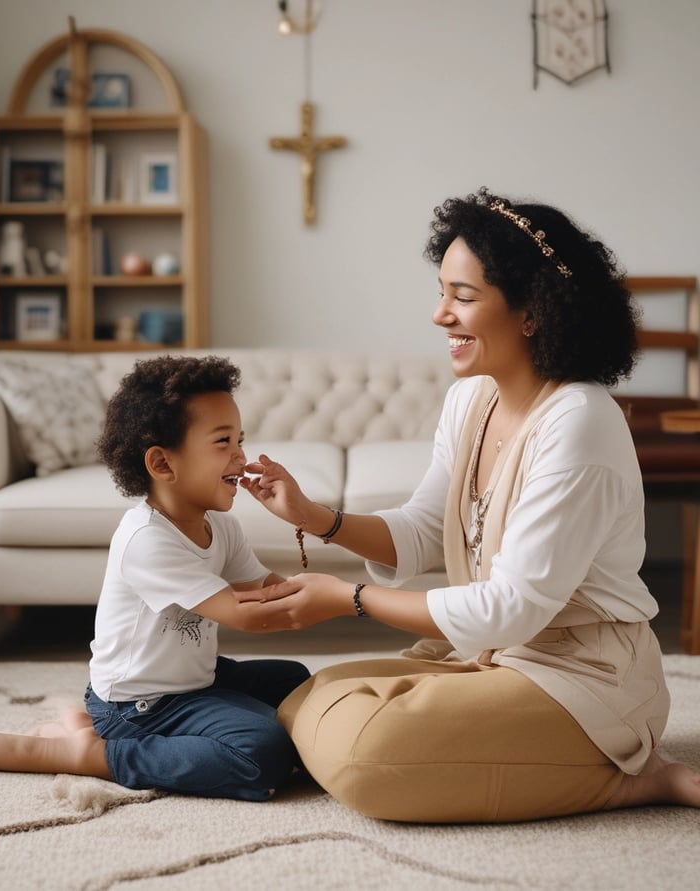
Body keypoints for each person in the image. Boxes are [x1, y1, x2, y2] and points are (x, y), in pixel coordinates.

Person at [239, 187, 700, 823]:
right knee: (308, 696)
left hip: (586, 678)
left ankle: (632, 779)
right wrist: (317, 517)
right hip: (496, 658)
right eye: (442, 292)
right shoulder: (471, 401)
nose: (440, 315)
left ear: (532, 311)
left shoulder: (580, 422)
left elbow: (510, 609)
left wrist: (345, 598)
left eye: (463, 296)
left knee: (368, 752)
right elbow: (424, 533)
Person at [0, 356, 310, 802]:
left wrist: (303, 532)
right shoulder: (147, 540)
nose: (241, 457)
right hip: (136, 706)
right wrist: (348, 600)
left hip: (191, 681)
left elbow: (265, 589)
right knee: (262, 751)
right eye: (223, 441)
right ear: (163, 464)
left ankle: (94, 732)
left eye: (240, 440)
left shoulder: (220, 525)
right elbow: (246, 616)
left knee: (294, 679)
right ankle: (89, 753)